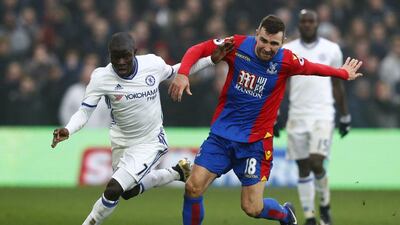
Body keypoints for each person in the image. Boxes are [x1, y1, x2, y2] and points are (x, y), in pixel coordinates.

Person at [168, 15, 362, 225]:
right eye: (264, 41)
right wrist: (183, 74)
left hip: (255, 143)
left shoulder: (287, 60)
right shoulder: (238, 44)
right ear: (257, 34)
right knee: (193, 187)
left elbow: (314, 68)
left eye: (274, 44)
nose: (268, 48)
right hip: (221, 137)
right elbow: (198, 49)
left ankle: (286, 214)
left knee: (252, 207)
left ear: (283, 42)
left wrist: (342, 72)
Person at [51, 32, 226, 225]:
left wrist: (210, 60)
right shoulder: (101, 77)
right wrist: (68, 129)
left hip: (150, 141)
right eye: (116, 57)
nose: (122, 61)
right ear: (109, 56)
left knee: (113, 189)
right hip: (121, 141)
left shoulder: (152, 64)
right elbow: (84, 112)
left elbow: (178, 70)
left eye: (126, 56)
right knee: (128, 192)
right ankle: (177, 172)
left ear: (135, 52)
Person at [282, 10, 350, 225]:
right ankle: (310, 217)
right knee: (303, 167)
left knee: (316, 161)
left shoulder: (331, 50)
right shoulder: (288, 50)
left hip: (323, 114)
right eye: (304, 21)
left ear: (318, 24)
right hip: (297, 115)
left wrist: (345, 115)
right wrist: (274, 115)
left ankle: (325, 205)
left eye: (311, 21)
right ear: (299, 24)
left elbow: (337, 84)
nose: (308, 24)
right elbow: (280, 86)